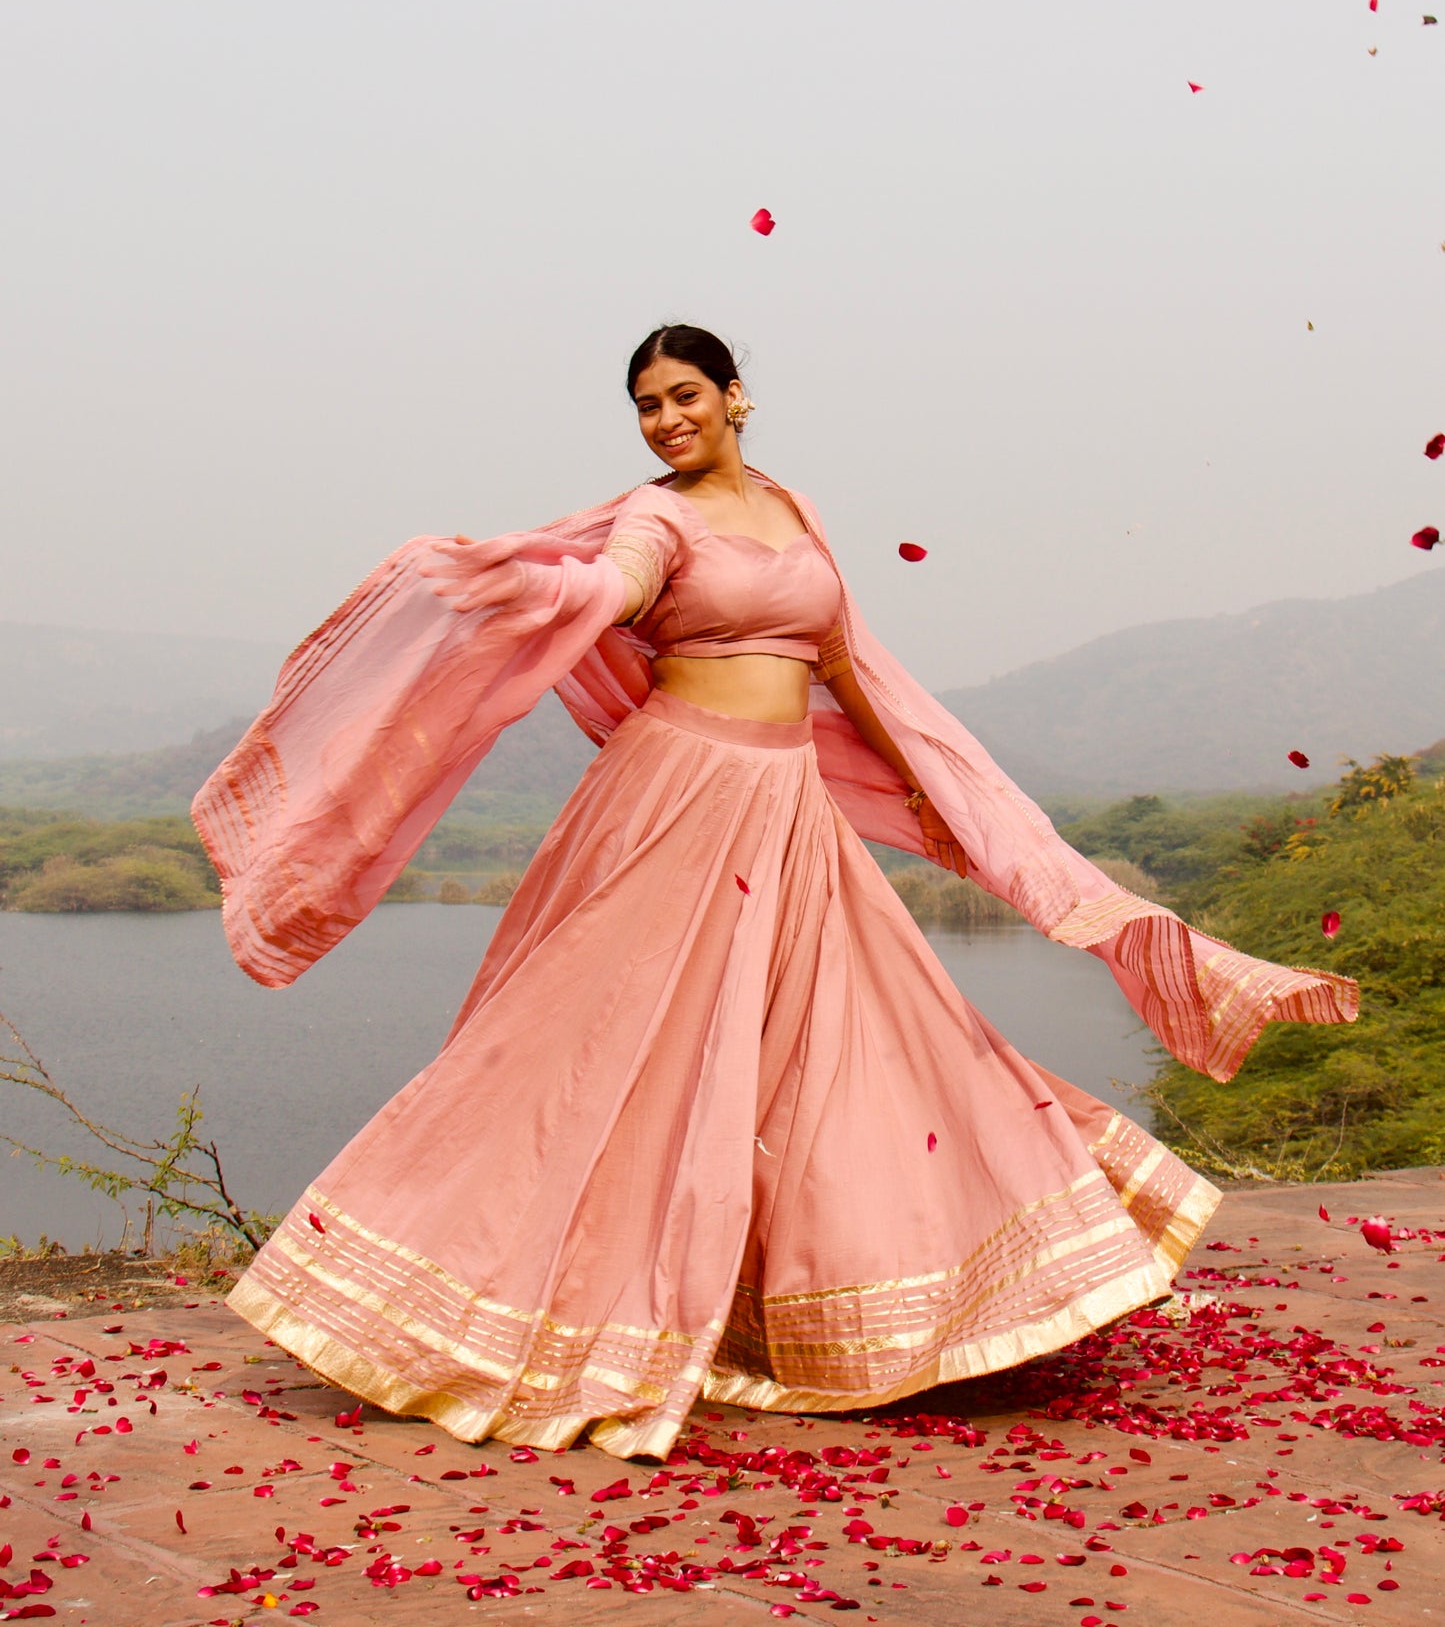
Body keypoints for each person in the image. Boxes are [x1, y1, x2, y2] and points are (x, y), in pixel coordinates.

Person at [196, 324, 1356, 1460]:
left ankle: (869, 1307)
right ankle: (434, 1299)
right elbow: (618, 584)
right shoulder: (658, 517)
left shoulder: (794, 511)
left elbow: (843, 664)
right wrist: (549, 585)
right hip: (673, 798)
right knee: (587, 1045)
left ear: (736, 394)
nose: (666, 418)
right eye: (647, 404)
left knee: (857, 1039)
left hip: (787, 809)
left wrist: (931, 798)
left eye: (684, 394)